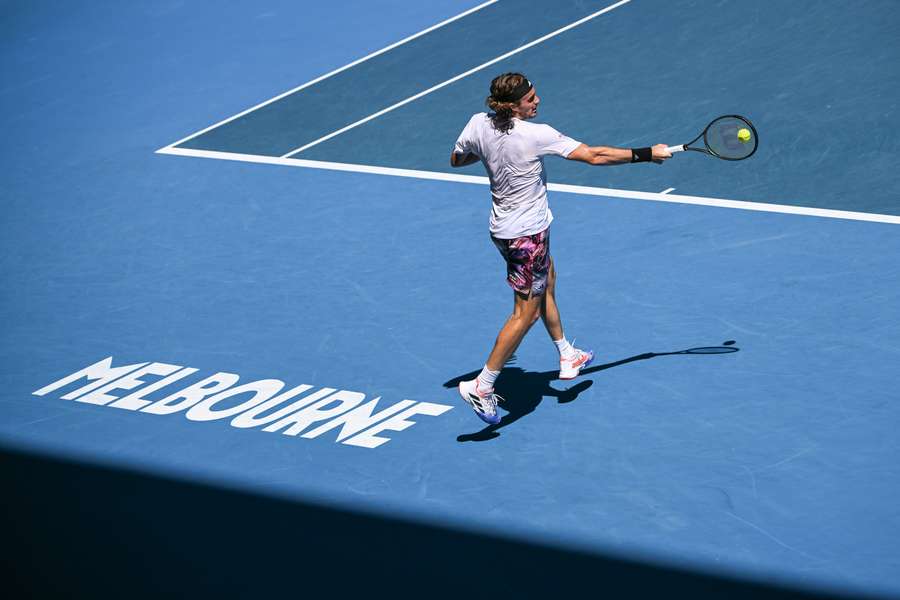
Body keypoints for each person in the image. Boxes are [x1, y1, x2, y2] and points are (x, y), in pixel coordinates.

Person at [450, 72, 671, 425]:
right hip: (527, 235)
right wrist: (648, 154)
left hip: (504, 230)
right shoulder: (538, 134)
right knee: (526, 313)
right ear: (514, 106)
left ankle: (567, 355)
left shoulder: (478, 124)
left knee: (547, 279)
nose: (537, 102)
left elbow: (457, 159)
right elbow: (595, 156)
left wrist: (492, 151)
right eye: (530, 100)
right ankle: (483, 384)